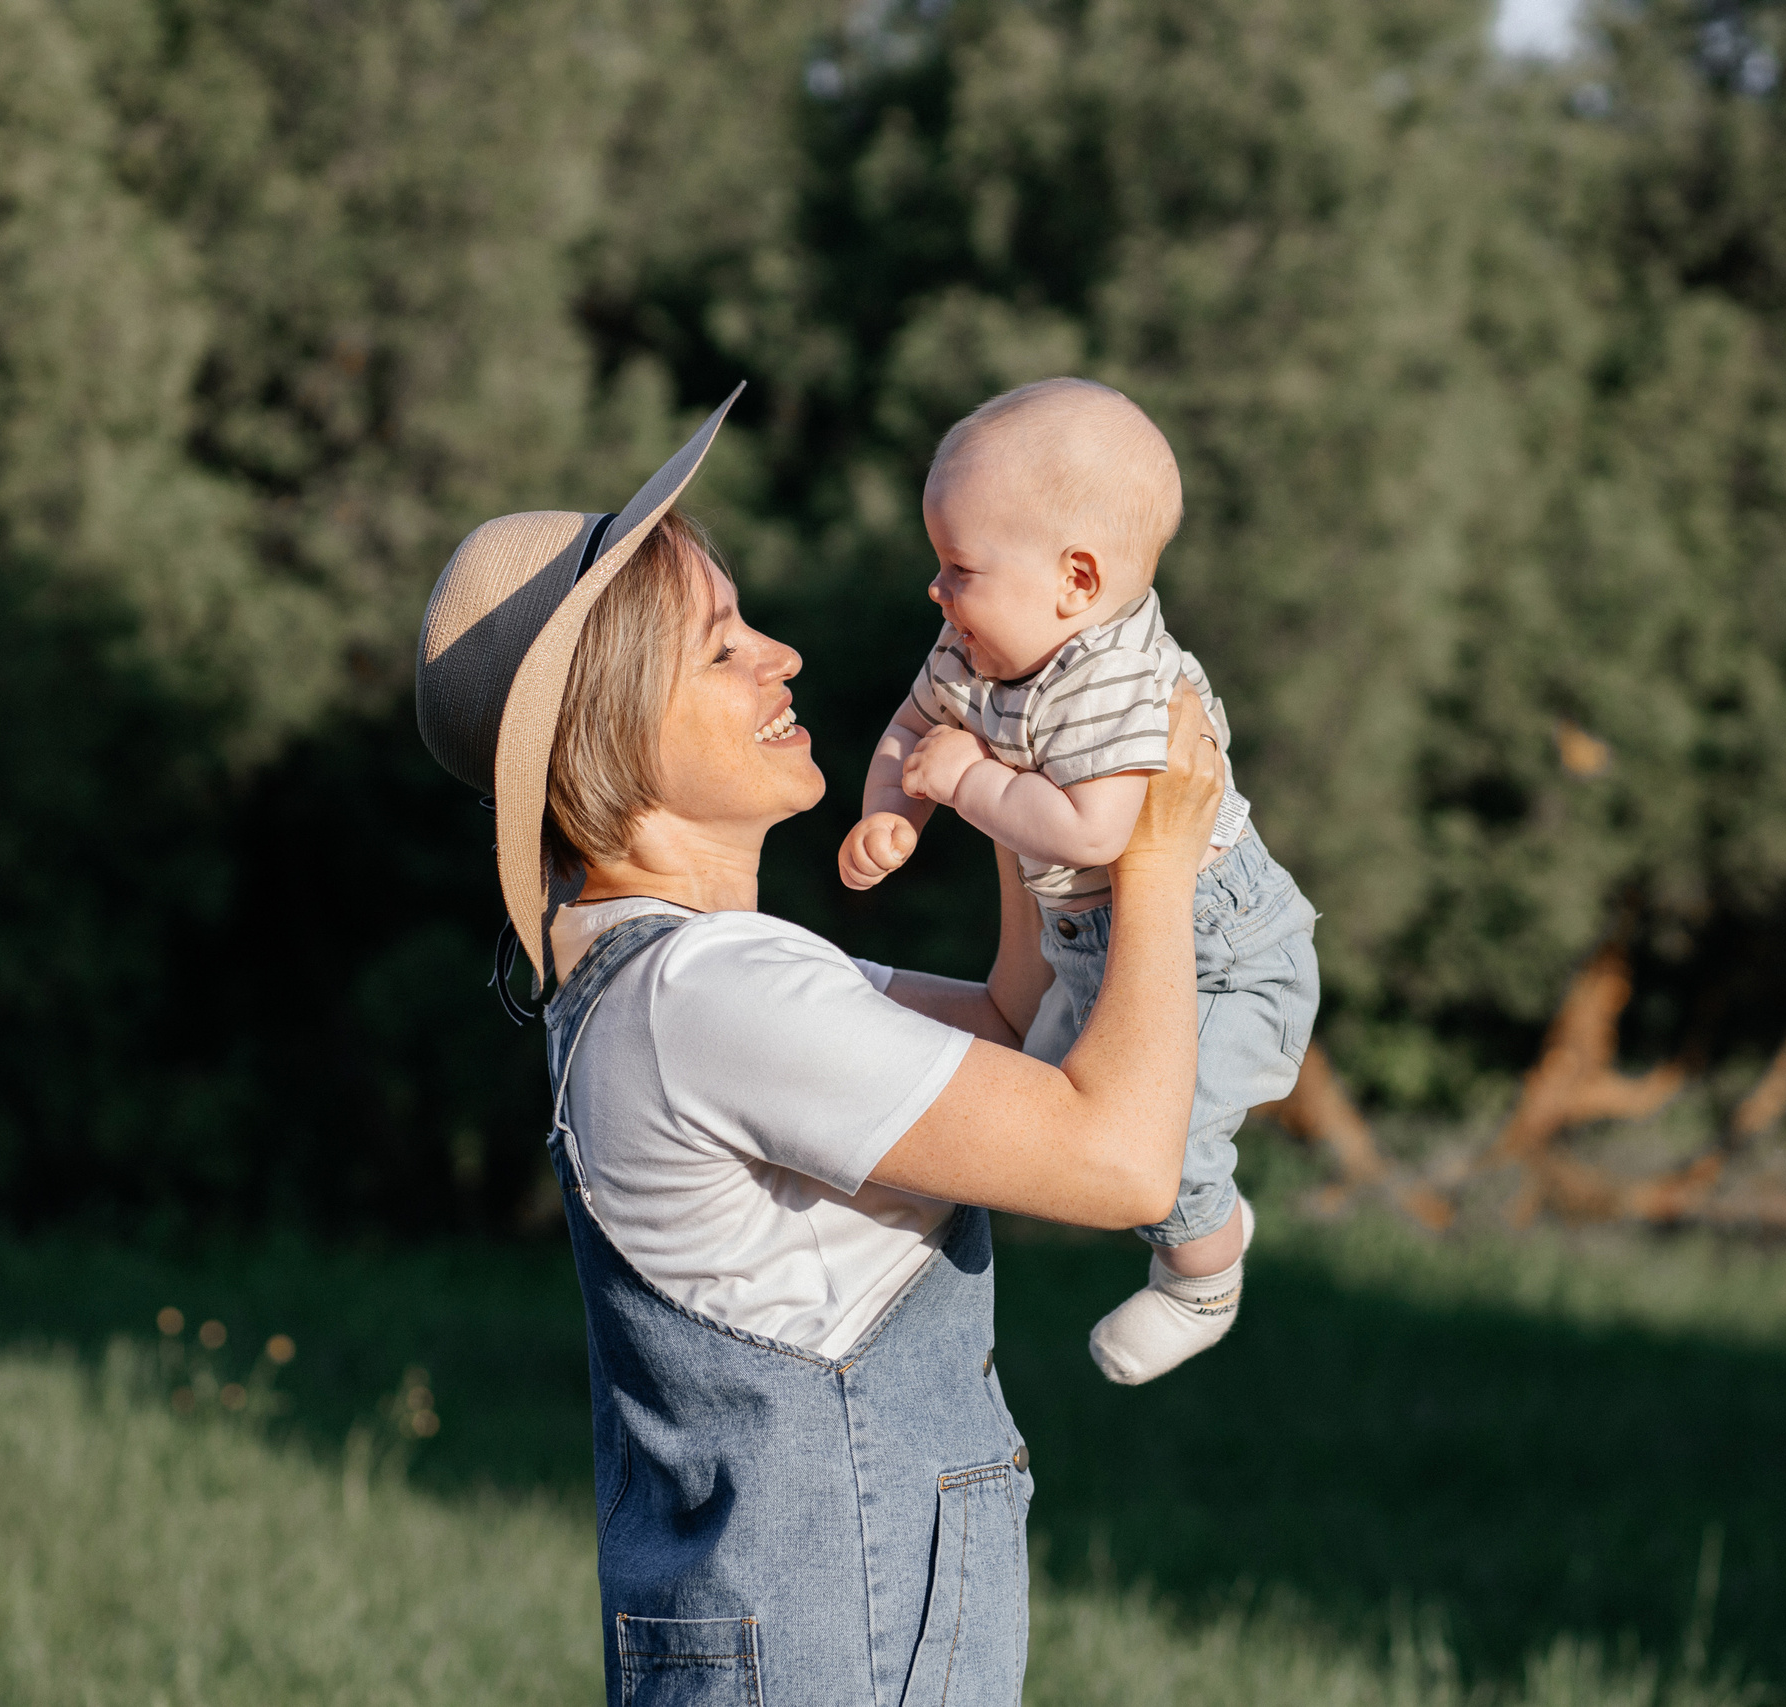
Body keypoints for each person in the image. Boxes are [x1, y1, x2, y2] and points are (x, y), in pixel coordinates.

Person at [411, 387, 1227, 1706]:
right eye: (723, 646)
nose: (781, 655)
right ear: (617, 728)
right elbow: (1125, 1160)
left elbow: (1018, 1028)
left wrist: (1030, 779)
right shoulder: (715, 998)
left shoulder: (703, 980)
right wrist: (1161, 861)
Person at [837, 378, 1320, 1385]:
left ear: (1076, 580)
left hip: (1220, 953)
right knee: (1049, 1127)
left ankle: (1204, 1271)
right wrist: (893, 809)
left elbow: (1100, 832)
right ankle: (1192, 1216)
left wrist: (966, 784)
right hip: (1090, 948)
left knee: (1155, 1144)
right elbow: (911, 728)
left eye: (959, 568)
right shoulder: (982, 645)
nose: (936, 591)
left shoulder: (1111, 680)